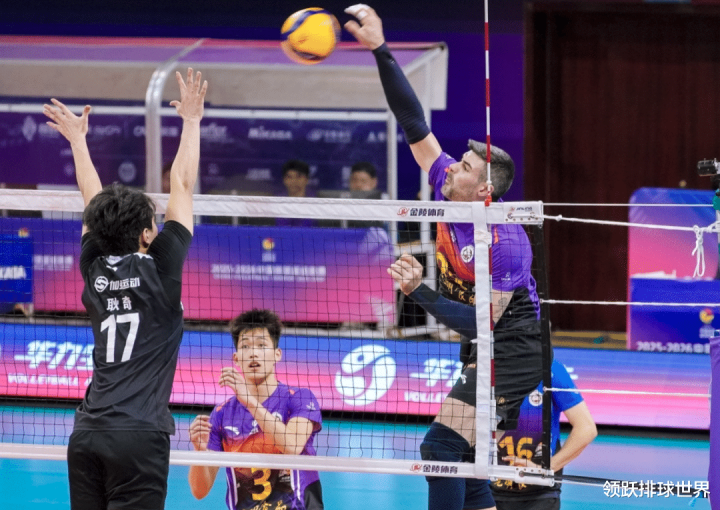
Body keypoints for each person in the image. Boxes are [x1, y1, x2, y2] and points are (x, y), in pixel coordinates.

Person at [346, 5, 544, 509]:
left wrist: (418, 291)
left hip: (512, 348)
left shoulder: (506, 243)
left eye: (466, 166)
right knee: (469, 464)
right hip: (482, 347)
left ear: (483, 191)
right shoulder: (445, 187)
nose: (452, 165)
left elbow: (483, 325)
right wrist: (380, 49)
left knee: (440, 449)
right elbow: (413, 121)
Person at [42, 68, 207, 510]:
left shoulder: (93, 269)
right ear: (147, 235)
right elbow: (182, 183)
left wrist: (78, 142)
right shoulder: (162, 269)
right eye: (154, 222)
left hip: (87, 433)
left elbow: (91, 201)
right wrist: (192, 121)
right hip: (139, 436)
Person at [188, 309, 324, 510]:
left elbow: (292, 446)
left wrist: (249, 401)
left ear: (277, 354)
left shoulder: (300, 398)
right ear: (236, 358)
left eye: (262, 345)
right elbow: (200, 491)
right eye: (245, 346)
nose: (253, 353)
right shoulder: (222, 414)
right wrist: (199, 452)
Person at [491, 359, 597, 510]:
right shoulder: (484, 366)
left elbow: (586, 428)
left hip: (540, 492)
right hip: (488, 491)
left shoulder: (551, 370)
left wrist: (545, 468)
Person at [278, 159, 315, 227]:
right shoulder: (277, 202)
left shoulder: (316, 202)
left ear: (307, 179)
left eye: (298, 176)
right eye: (289, 177)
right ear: (284, 180)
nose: (294, 181)